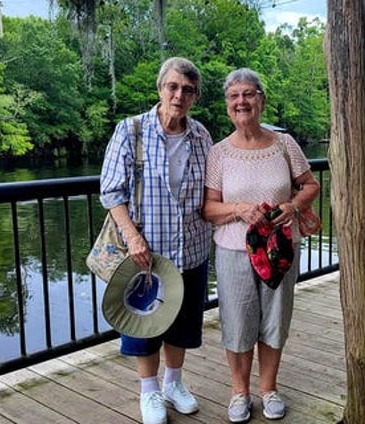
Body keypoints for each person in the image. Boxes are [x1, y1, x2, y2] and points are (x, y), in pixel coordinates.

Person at [202, 68, 320, 423]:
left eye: (249, 94)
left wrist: (293, 205)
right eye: (234, 96)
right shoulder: (219, 153)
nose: (242, 102)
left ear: (261, 100)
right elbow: (209, 208)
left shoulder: (285, 144)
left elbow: (310, 185)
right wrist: (238, 209)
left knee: (275, 319)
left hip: (281, 248)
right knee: (237, 322)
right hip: (234, 250)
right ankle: (240, 392)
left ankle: (268, 389)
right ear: (227, 105)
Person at [99, 57, 212, 424]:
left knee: (180, 321)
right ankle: (149, 392)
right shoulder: (131, 130)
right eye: (173, 87)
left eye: (188, 90)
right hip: (146, 253)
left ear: (195, 97)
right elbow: (111, 191)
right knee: (144, 325)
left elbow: (212, 191)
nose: (180, 95)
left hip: (191, 249)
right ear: (160, 88)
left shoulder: (201, 136)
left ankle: (174, 384)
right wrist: (132, 237)